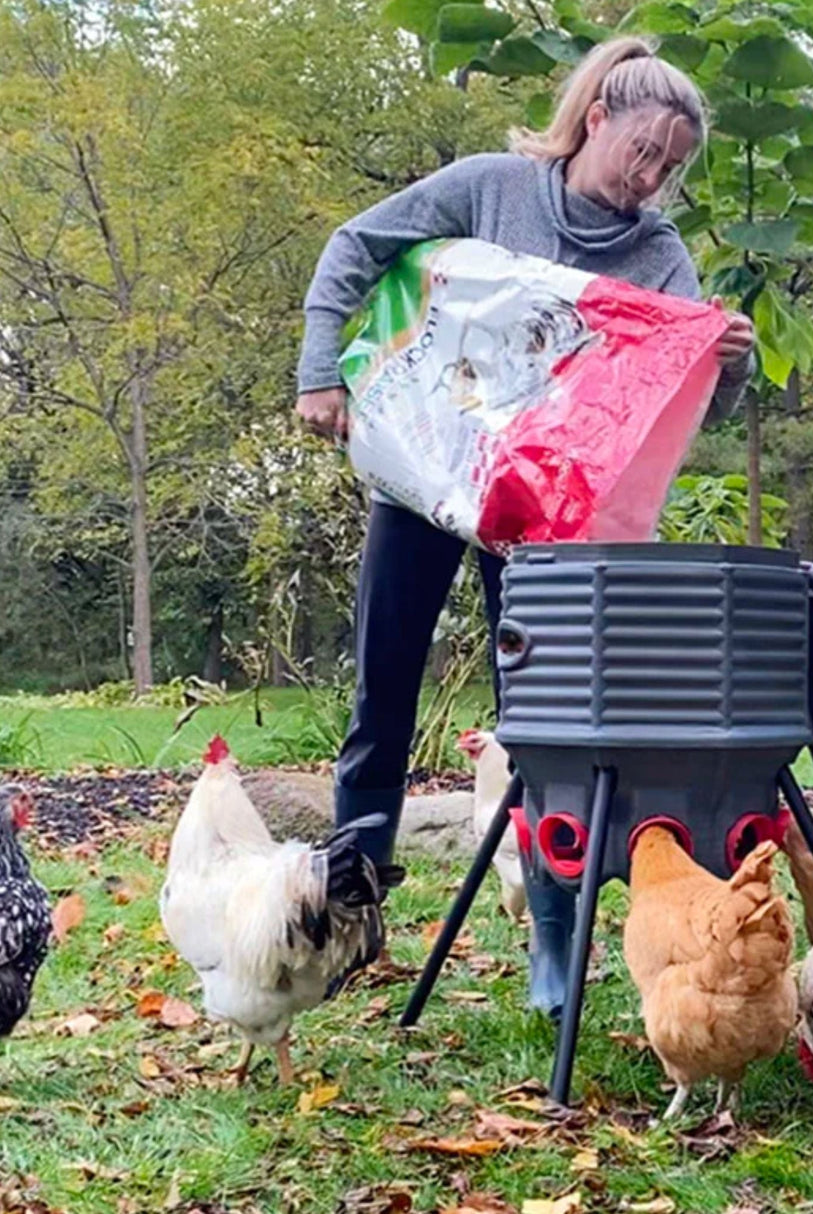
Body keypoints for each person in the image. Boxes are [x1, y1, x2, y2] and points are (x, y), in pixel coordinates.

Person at [294, 35, 756, 1018]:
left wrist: (728, 359)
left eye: (671, 167)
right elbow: (353, 246)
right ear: (595, 120)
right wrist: (319, 372)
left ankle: (555, 940)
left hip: (548, 523)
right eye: (641, 152)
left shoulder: (658, 253)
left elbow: (678, 399)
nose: (650, 180)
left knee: (544, 723)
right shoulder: (489, 187)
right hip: (427, 479)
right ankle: (345, 918)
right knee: (380, 696)